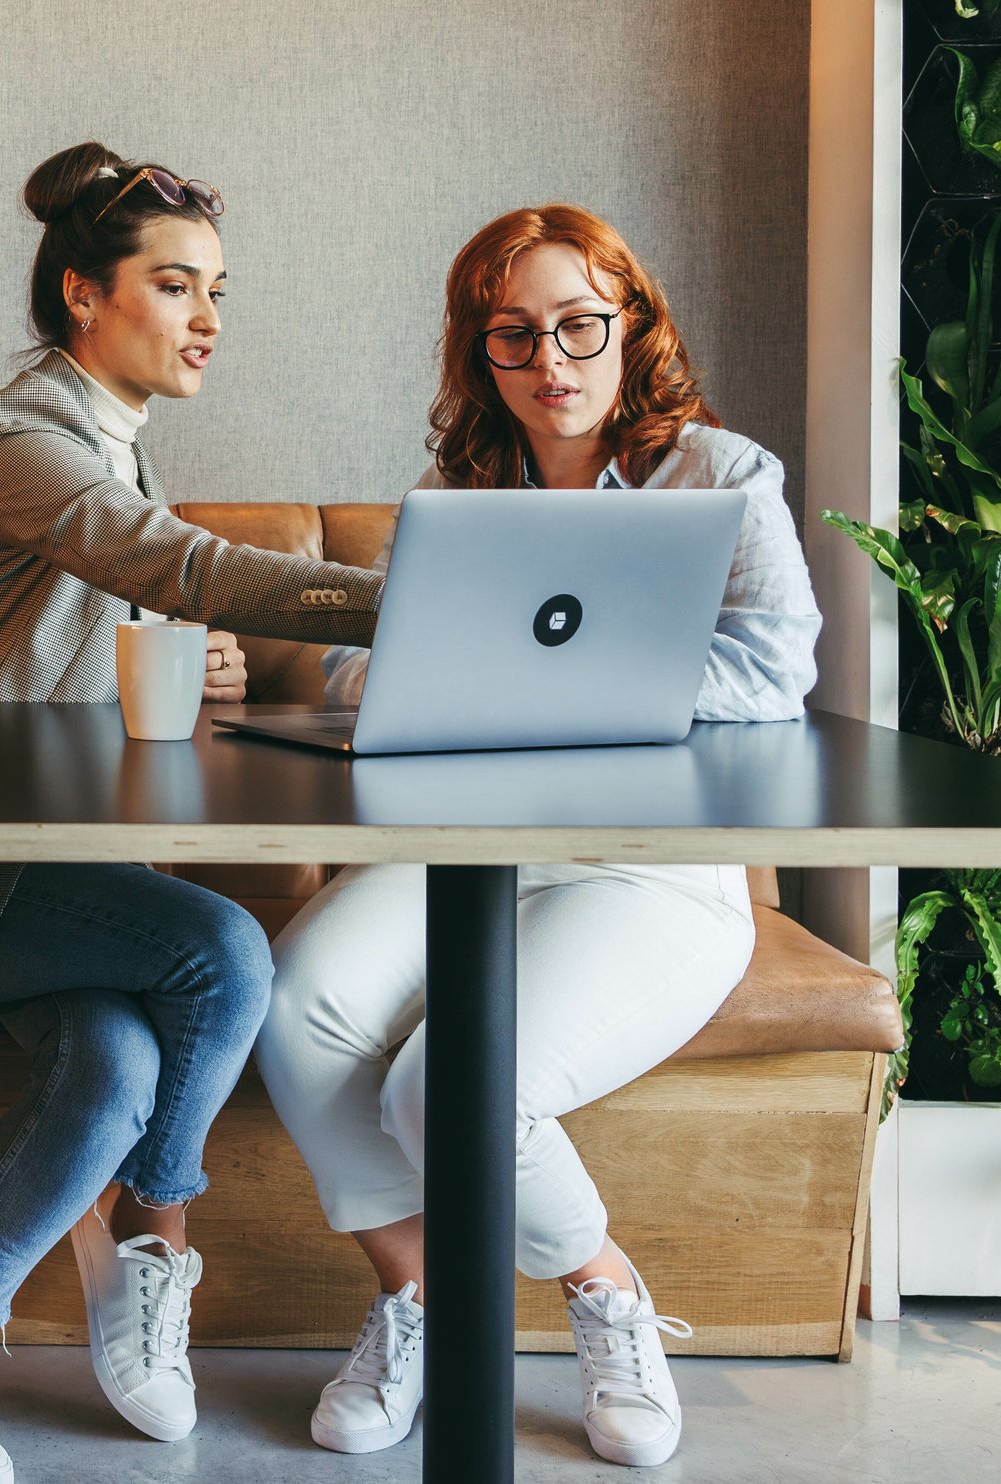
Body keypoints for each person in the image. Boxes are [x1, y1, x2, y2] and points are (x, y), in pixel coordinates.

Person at [0, 142, 383, 1484]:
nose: (208, 321)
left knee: (121, 1068)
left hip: (49, 872)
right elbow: (168, 565)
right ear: (84, 296)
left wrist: (201, 657)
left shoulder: (109, 459)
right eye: (176, 285)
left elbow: (128, 600)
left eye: (221, 293)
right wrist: (400, 592)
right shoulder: (24, 439)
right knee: (223, 951)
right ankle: (159, 1240)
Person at [254, 203, 821, 1469]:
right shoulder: (461, 495)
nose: (550, 361)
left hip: (653, 870)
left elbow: (773, 671)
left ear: (630, 326)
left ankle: (604, 1290)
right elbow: (367, 670)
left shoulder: (721, 476)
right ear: (479, 354)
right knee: (293, 1004)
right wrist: (391, 674)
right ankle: (412, 1299)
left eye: (577, 325)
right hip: (462, 853)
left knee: (439, 1086)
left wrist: (537, 687)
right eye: (513, 336)